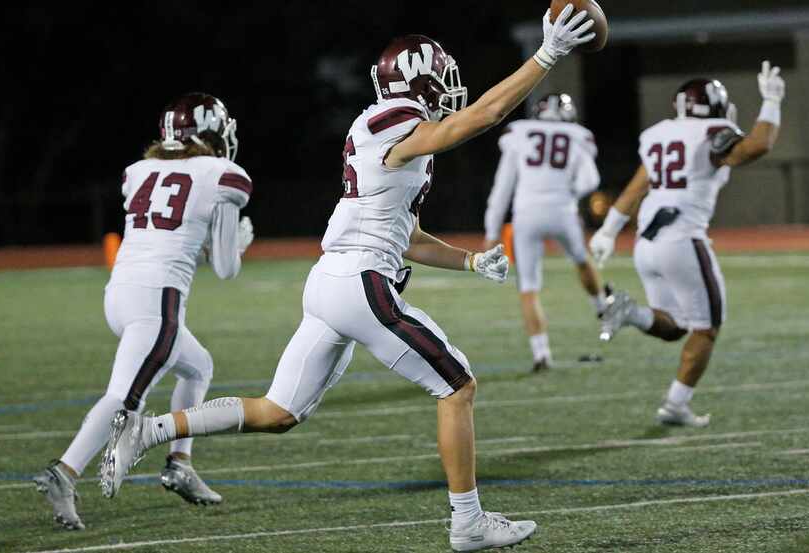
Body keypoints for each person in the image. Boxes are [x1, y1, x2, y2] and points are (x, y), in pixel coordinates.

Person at [100, 8, 594, 551]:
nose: (451, 84)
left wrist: (471, 261)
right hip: (360, 282)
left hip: (335, 280)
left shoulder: (391, 132)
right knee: (457, 386)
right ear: (420, 79)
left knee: (280, 411)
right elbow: (476, 119)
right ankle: (467, 521)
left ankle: (149, 430)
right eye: (442, 73)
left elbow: (406, 236)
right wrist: (547, 55)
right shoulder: (395, 119)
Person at [33, 92, 255, 530]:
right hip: (157, 300)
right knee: (124, 399)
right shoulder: (224, 174)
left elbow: (170, 228)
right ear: (212, 133)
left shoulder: (137, 171)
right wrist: (239, 239)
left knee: (198, 368)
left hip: (119, 294)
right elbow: (227, 268)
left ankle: (179, 464)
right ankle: (64, 472)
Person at [589, 61, 785, 427]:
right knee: (707, 327)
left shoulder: (659, 134)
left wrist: (608, 231)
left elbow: (637, 185)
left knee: (677, 325)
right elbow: (756, 147)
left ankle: (630, 312)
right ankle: (676, 404)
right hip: (681, 239)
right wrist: (771, 101)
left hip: (646, 243)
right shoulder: (714, 130)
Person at [484, 93, 605, 371]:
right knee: (581, 259)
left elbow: (502, 188)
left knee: (528, 287)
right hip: (563, 210)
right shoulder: (577, 135)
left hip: (526, 212)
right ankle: (601, 306)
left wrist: (492, 231)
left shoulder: (519, 133)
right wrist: (568, 194)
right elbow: (590, 179)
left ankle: (541, 354)